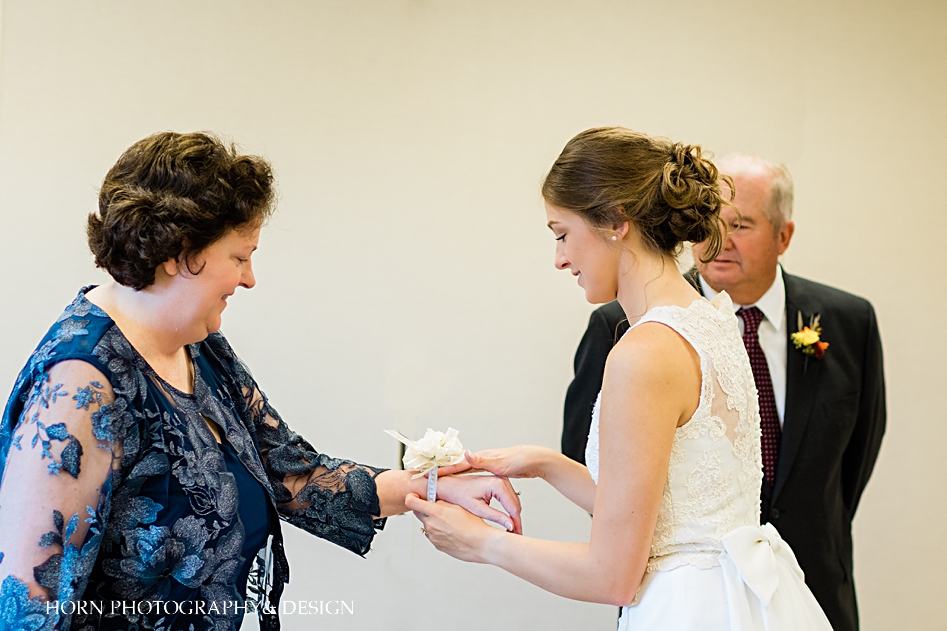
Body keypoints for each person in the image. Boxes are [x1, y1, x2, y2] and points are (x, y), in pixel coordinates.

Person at [0, 131, 522, 631]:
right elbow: (24, 608)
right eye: (240, 257)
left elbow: (292, 476)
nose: (249, 278)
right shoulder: (78, 387)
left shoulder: (196, 344)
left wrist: (435, 487)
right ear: (181, 253)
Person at [407, 127, 833, 630]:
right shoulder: (712, 321)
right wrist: (544, 463)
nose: (560, 258)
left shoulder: (643, 352)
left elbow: (612, 576)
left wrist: (484, 543)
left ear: (615, 222)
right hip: (742, 599)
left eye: (562, 233)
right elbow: (679, 508)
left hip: (688, 610)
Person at [560, 153, 885, 631]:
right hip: (688, 597)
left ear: (783, 236)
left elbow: (859, 453)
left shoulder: (848, 320)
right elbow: (597, 461)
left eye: (743, 225)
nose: (719, 241)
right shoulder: (621, 327)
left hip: (807, 587)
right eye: (713, 224)